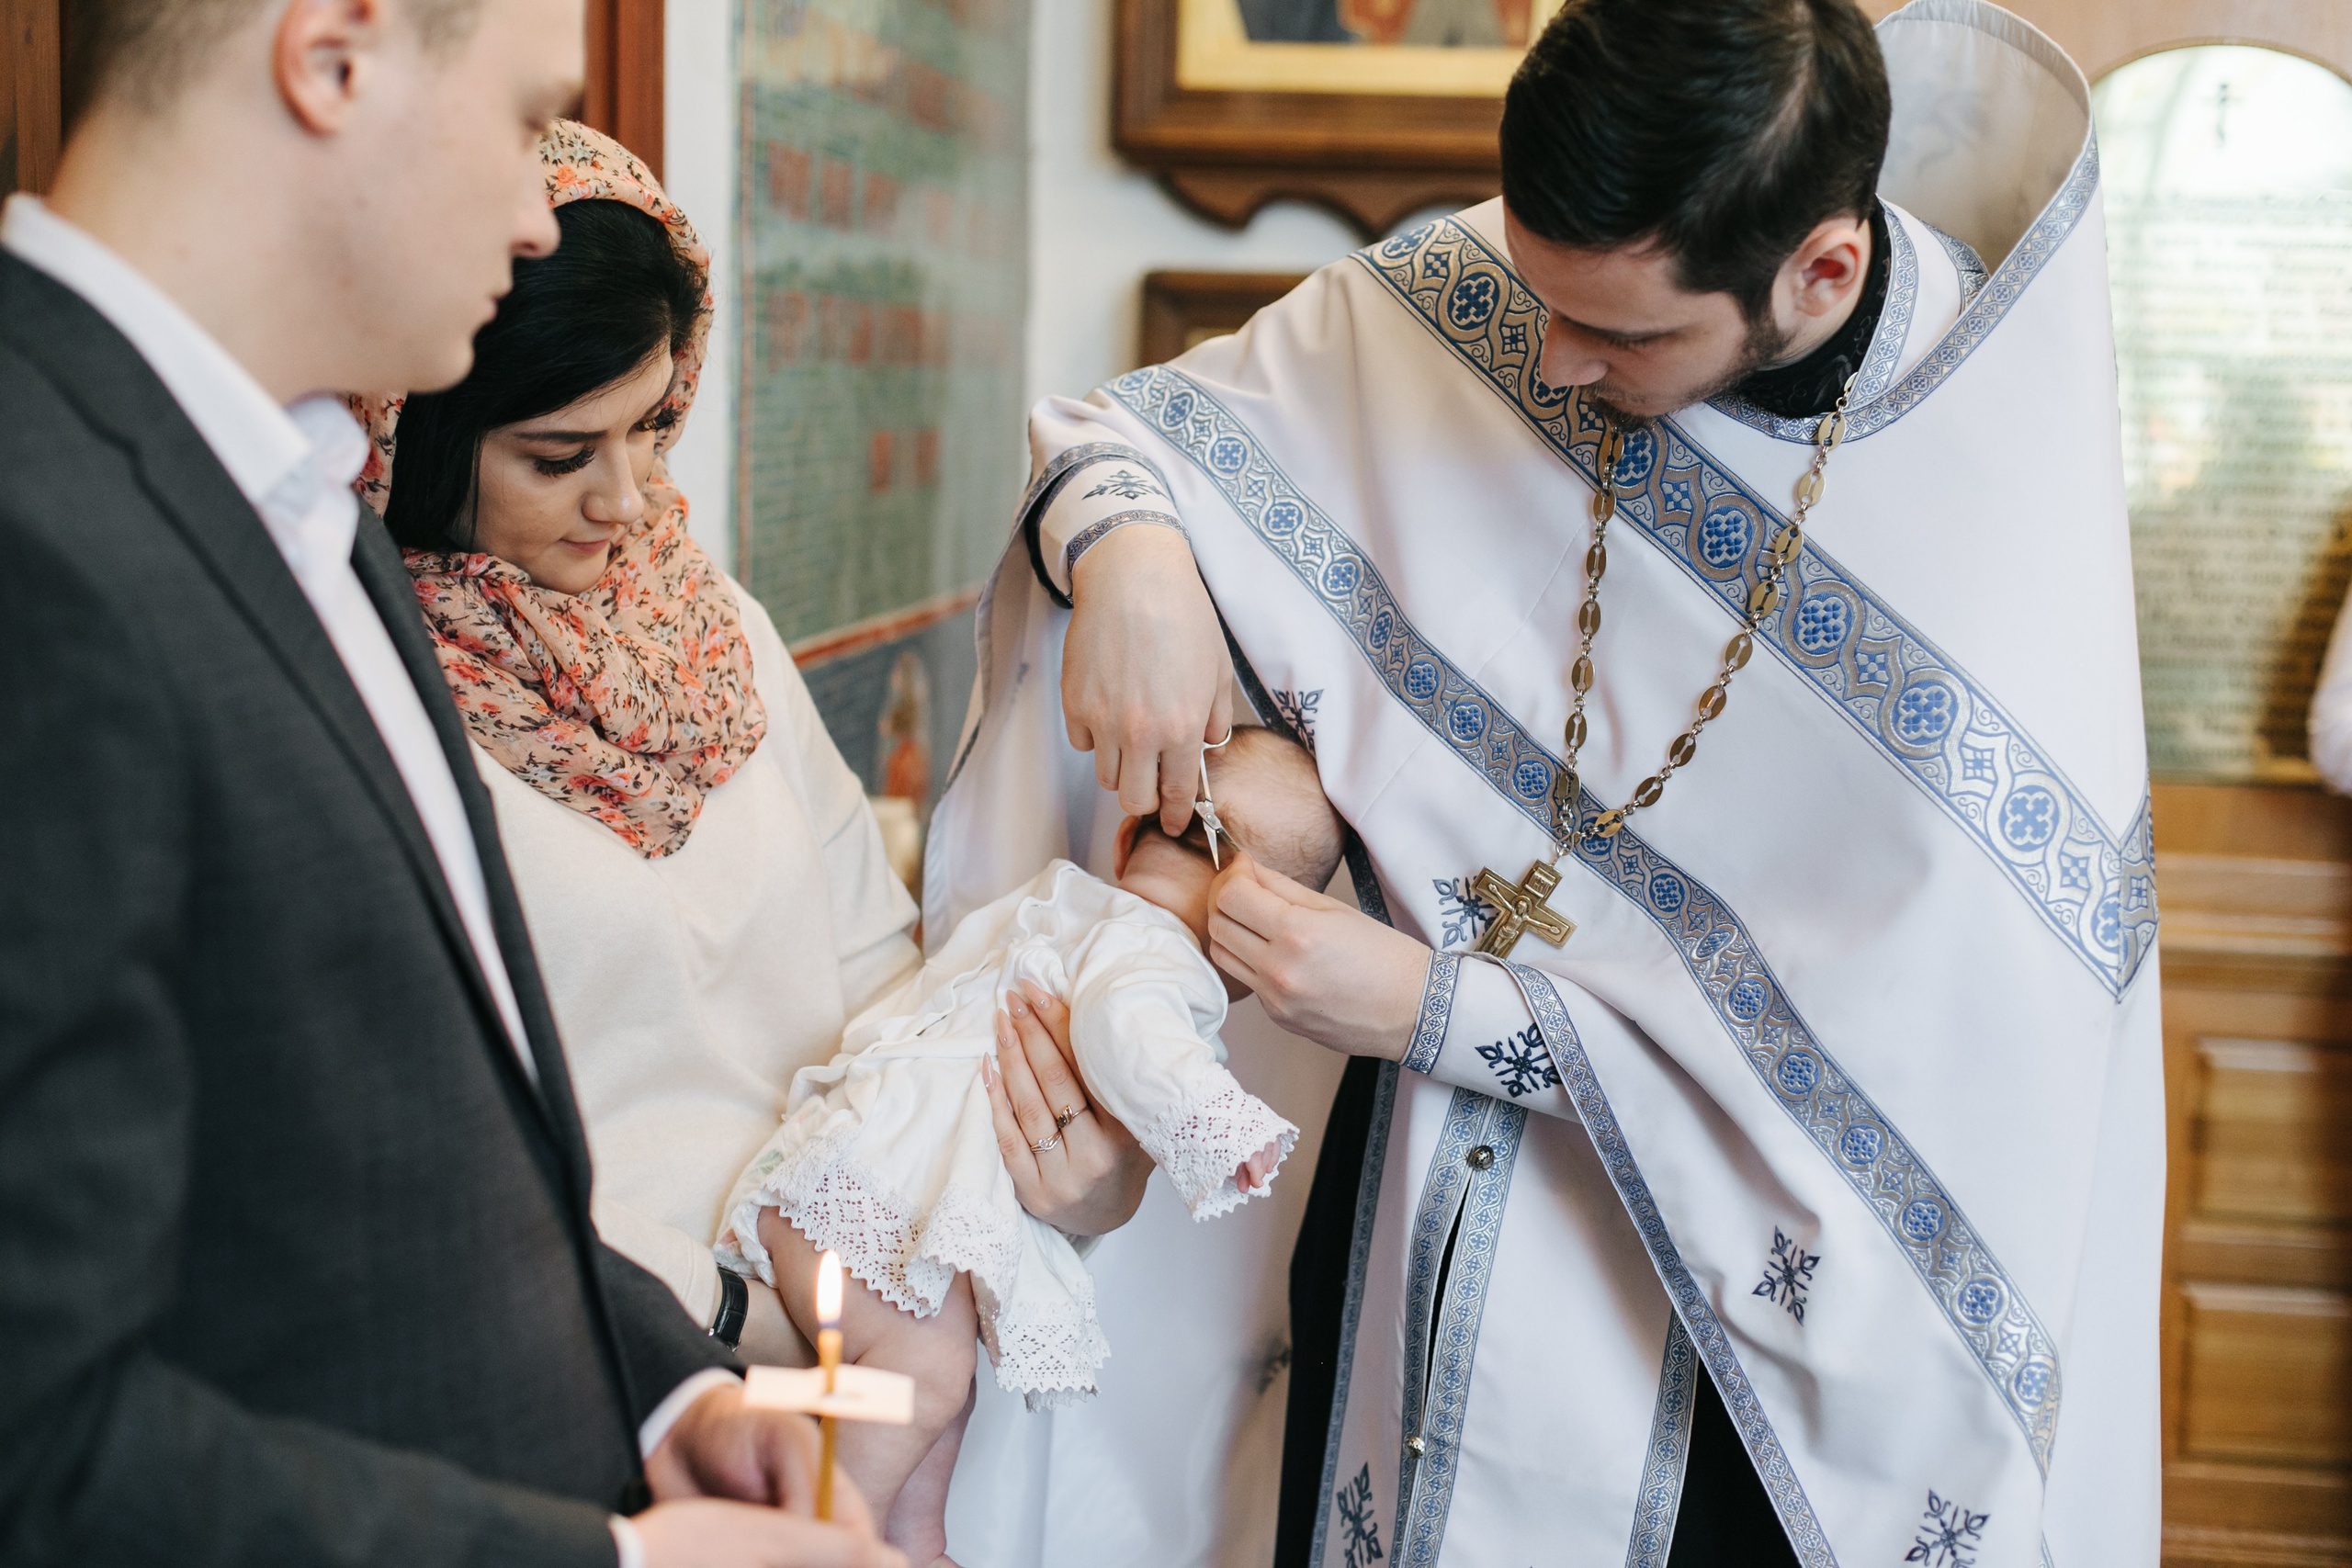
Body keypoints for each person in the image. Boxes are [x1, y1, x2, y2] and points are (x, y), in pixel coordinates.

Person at [933, 0, 2164, 1563]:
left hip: (1738, 1378)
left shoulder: (1984, 525)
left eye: (1628, 336)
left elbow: (1906, 1096)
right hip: (1415, 1235)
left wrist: (1443, 1010)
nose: (1556, 363)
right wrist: (1133, 559)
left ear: (1821, 273)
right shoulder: (1513, 300)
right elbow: (1133, 438)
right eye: (1538, 296)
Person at [0, 4, 898, 1565]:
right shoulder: (39, 538)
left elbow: (395, 1147)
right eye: (525, 113)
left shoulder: (294, 502)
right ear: (332, 58)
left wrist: (664, 1396)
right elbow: (43, 1445)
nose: (538, 206)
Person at [358, 120, 1159, 1567]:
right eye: (560, 452)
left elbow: (881, 977)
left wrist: (1062, 1173)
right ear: (408, 428)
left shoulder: (710, 625)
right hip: (620, 1406)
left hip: (870, 1342)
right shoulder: (370, 692)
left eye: (657, 424)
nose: (627, 499)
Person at [718, 727, 1335, 1556]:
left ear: (1126, 836)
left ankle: (915, 1542)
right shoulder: (1158, 956)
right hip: (866, 1200)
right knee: (929, 1375)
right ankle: (826, 1541)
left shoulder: (1074, 908)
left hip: (852, 1168)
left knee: (943, 1386)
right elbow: (1130, 1031)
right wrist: (1218, 1126)